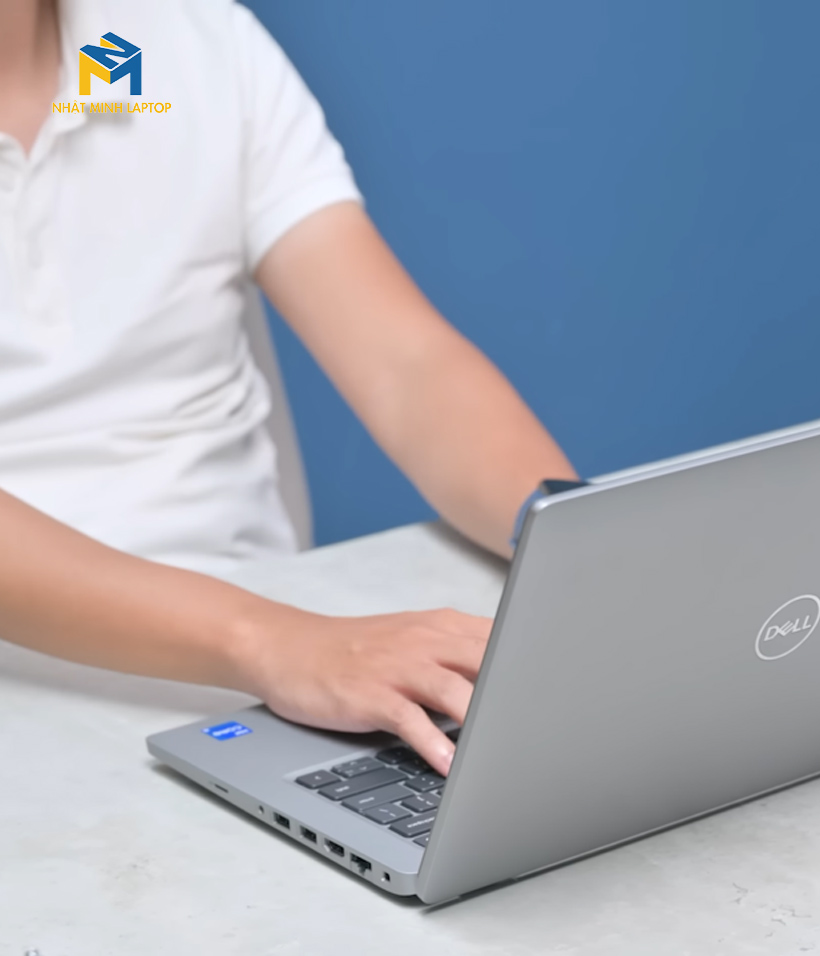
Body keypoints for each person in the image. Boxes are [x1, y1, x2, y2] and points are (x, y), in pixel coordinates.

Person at [0, 0, 577, 776]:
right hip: (149, 669)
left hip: (258, 654)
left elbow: (405, 364)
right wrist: (272, 642)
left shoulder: (195, 42)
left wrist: (575, 546)